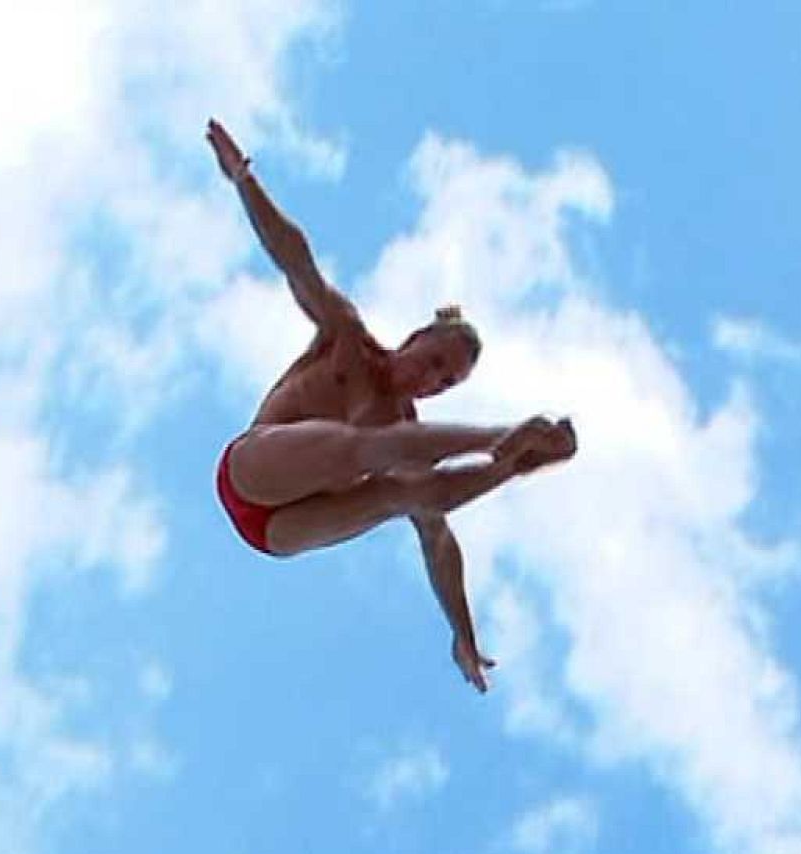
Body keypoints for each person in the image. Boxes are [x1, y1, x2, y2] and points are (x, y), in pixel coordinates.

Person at [205, 119, 576, 693]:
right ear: (414, 338)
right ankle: (505, 437)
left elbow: (438, 538)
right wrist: (243, 179)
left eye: (446, 383)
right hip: (250, 473)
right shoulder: (345, 336)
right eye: (434, 362)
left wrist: (462, 632)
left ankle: (515, 462)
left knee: (406, 493)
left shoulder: (407, 427)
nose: (432, 383)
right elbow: (294, 261)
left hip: (277, 534)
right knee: (364, 449)